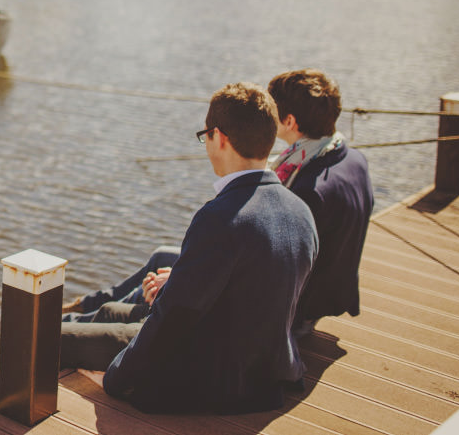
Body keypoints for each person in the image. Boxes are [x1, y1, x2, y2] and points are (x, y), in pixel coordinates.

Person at [63, 82, 319, 414]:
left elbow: (172, 320)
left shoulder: (221, 217)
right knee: (110, 313)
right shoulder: (300, 210)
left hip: (214, 377)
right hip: (267, 367)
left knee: (50, 338)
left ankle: (9, 396)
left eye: (206, 136)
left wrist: (116, 377)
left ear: (220, 137)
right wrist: (178, 283)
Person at [268, 69, 374, 336]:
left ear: (289, 121)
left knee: (164, 262)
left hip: (295, 314)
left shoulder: (308, 190)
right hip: (327, 294)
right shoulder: (352, 158)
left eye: (269, 109)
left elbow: (276, 269)